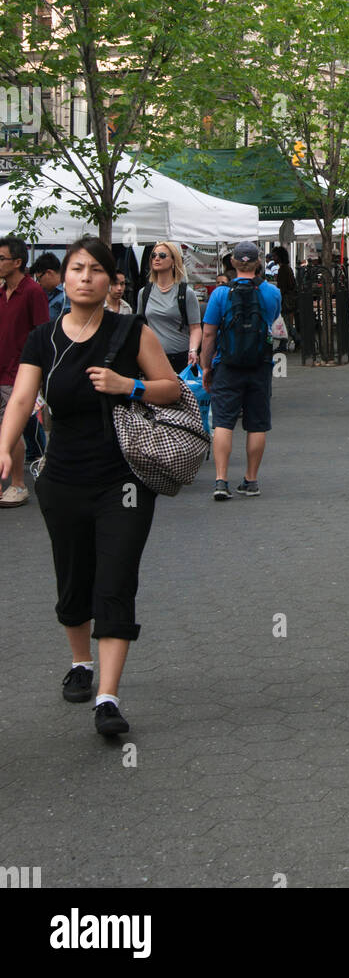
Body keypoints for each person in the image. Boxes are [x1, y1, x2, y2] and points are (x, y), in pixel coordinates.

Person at [0, 236, 180, 735]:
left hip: (124, 480)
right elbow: (20, 400)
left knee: (116, 579)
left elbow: (173, 389)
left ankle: (108, 695)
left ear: (110, 280)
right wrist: (3, 447)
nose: (84, 277)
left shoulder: (131, 332)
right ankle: (81, 663)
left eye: (95, 270)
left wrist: (131, 386)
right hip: (61, 480)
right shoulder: (43, 338)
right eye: (76, 268)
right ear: (66, 276)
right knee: (73, 576)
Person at [201, 242, 281, 500]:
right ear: (259, 262)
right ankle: (251, 480)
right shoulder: (272, 293)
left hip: (228, 365)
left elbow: (209, 333)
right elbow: (272, 321)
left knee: (223, 423)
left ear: (233, 263)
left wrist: (206, 365)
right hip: (260, 365)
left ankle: (221, 481)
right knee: (257, 424)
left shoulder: (220, 294)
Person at [0, 235, 50, 506]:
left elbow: (42, 332)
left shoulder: (32, 291)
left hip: (19, 372)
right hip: (1, 367)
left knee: (12, 429)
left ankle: (18, 484)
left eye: (1, 258)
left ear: (17, 262)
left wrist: (38, 374)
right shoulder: (0, 291)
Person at [136, 242, 203, 375]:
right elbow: (140, 325)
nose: (156, 258)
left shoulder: (185, 293)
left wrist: (193, 350)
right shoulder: (144, 292)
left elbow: (195, 327)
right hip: (153, 357)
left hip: (180, 358)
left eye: (162, 255)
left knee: (179, 395)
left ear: (173, 261)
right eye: (154, 255)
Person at [33, 252, 67, 321]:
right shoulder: (49, 293)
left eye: (39, 279)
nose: (39, 283)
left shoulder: (67, 295)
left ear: (49, 273)